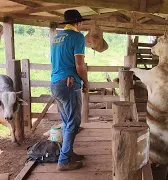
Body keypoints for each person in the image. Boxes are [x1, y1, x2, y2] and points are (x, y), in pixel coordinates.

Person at [50, 9, 89, 171]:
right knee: (74, 122)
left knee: (67, 121)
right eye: (81, 23)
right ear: (77, 23)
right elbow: (79, 65)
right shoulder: (78, 37)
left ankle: (69, 152)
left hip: (55, 83)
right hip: (69, 83)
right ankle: (64, 160)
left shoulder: (56, 38)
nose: (82, 25)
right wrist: (86, 82)